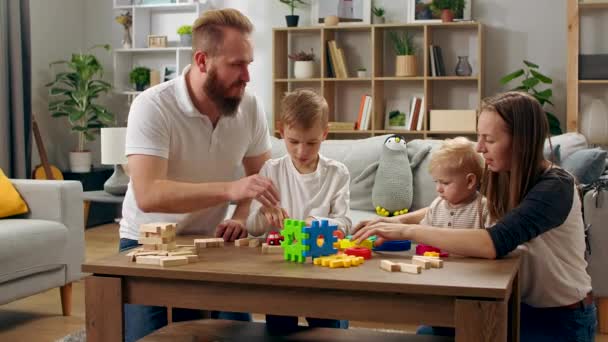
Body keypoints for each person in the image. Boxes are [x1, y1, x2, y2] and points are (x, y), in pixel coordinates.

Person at [353, 92, 596, 341]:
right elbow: (456, 203)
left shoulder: (555, 187)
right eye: (479, 137)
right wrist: (396, 221)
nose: (479, 148)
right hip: (509, 304)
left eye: (488, 139)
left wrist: (407, 232)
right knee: (428, 332)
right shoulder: (500, 171)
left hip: (559, 318)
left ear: (520, 142)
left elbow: (494, 242)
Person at [119, 9, 279, 342]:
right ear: (203, 61)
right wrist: (230, 190)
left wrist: (241, 214)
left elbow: (260, 178)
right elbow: (149, 195)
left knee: (241, 335)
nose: (247, 76)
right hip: (148, 244)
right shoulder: (152, 106)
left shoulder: (249, 107)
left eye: (249, 63)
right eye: (237, 65)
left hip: (216, 244)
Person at [247, 88, 351, 331]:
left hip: (322, 268)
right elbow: (251, 228)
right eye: (293, 142)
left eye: (312, 142)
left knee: (327, 327)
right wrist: (263, 215)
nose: (302, 152)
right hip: (281, 269)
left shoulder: (337, 173)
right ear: (281, 131)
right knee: (279, 327)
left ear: (324, 134)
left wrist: (317, 222)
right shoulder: (270, 170)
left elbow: (345, 224)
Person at [422, 136, 489, 230]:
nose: (438, 189)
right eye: (436, 182)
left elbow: (495, 240)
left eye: (445, 183)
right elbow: (424, 233)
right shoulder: (436, 205)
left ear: (470, 181)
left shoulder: (484, 208)